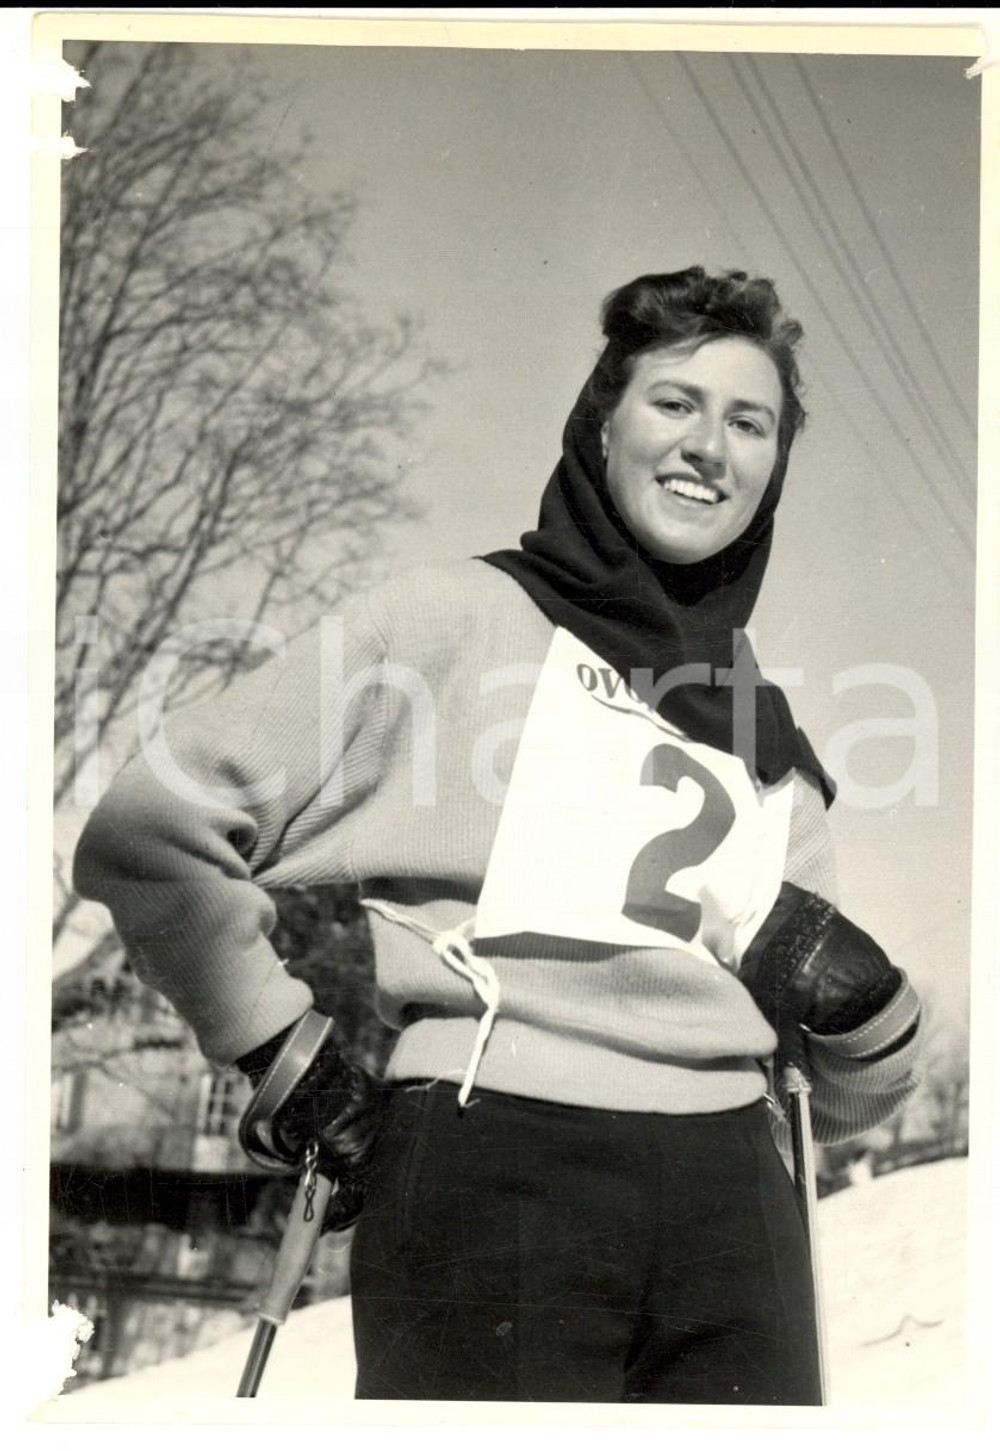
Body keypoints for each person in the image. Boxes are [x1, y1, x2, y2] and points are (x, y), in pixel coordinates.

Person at [73, 267, 922, 1405]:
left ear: (772, 471)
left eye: (748, 420)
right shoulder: (450, 619)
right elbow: (152, 828)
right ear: (601, 423)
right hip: (495, 1163)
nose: (709, 445)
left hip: (736, 1210)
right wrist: (278, 1046)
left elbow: (847, 1096)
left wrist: (877, 1016)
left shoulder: (769, 737)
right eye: (674, 402)